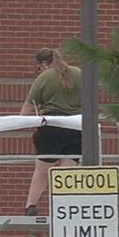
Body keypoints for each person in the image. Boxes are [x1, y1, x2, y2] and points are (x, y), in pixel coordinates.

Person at [19, 47, 81, 216]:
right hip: (76, 127)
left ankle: (31, 205)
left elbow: (27, 107)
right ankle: (63, 207)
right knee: (66, 172)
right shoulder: (79, 73)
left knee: (42, 170)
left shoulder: (44, 77)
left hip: (51, 127)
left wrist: (22, 121)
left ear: (43, 64)